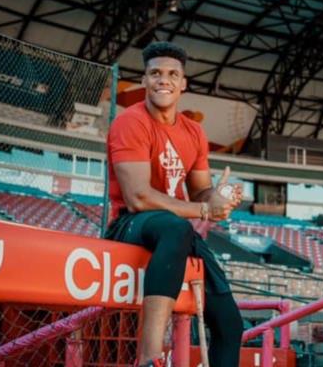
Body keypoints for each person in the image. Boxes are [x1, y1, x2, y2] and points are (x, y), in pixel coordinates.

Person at [104, 41, 245, 367]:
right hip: (129, 224)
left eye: (171, 74)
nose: (162, 80)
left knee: (230, 325)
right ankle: (150, 358)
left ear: (183, 84)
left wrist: (218, 199)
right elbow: (138, 197)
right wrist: (205, 210)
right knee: (175, 226)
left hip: (175, 230)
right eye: (155, 73)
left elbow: (199, 192)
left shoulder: (194, 131)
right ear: (144, 80)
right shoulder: (131, 121)